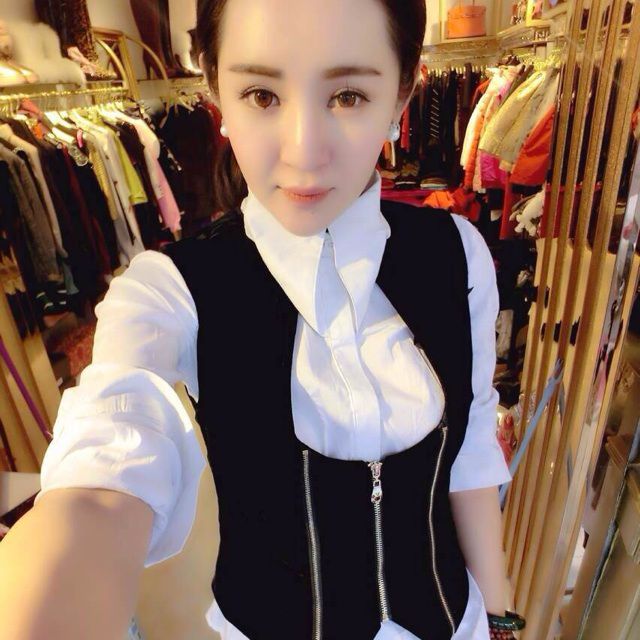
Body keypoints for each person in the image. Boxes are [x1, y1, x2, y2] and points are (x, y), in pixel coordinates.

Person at [0, 1, 525, 638]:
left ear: (402, 94)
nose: (303, 152)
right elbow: (110, 454)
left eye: (349, 96)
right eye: (261, 95)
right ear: (214, 88)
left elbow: (469, 455)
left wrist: (500, 618)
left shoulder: (457, 252)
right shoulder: (169, 290)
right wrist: (69, 555)